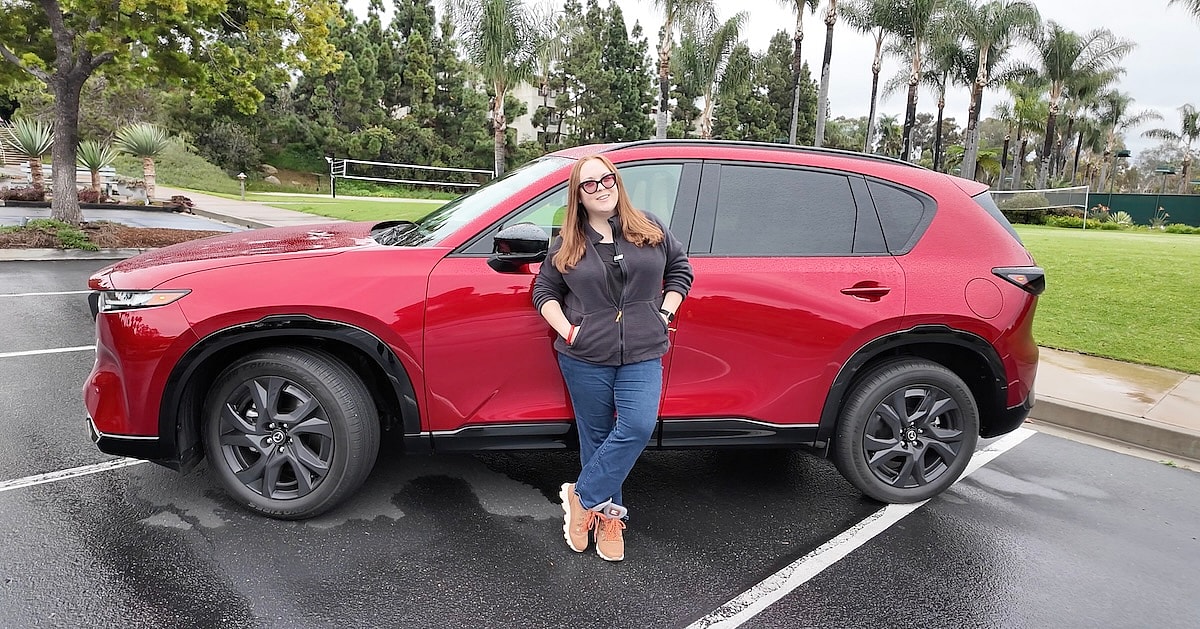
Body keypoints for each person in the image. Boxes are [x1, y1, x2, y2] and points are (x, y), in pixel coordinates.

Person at [532, 154, 693, 562]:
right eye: (589, 184)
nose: (601, 188)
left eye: (607, 179)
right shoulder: (568, 243)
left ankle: (582, 496)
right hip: (585, 356)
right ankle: (608, 518)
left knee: (637, 426)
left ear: (617, 182)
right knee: (597, 437)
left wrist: (663, 315)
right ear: (578, 195)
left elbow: (680, 270)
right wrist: (569, 330)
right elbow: (544, 292)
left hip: (643, 350)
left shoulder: (650, 228)